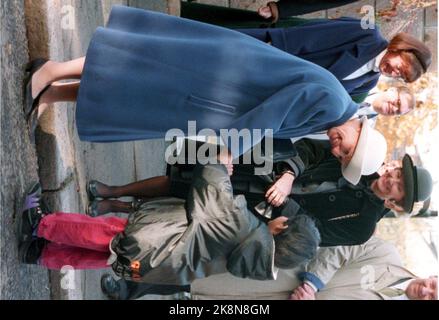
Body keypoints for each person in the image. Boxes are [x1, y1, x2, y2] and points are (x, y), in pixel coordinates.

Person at [25, 5, 363, 160]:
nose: (336, 148)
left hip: (223, 90)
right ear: (359, 130)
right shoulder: (334, 103)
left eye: (340, 156)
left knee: (129, 92)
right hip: (223, 76)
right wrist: (233, 149)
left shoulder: (333, 114)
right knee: (137, 66)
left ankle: (53, 93)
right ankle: (54, 70)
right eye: (345, 148)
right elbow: (278, 109)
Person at [85, 138, 433, 247]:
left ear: (396, 204)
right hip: (263, 175)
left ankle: (115, 206)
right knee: (185, 181)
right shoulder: (362, 159)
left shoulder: (363, 226)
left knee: (187, 211)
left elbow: (316, 237)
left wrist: (287, 207)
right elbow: (310, 149)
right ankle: (115, 189)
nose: (393, 181)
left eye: (400, 189)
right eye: (398, 175)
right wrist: (287, 175)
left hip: (260, 216)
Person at [17, 163, 321, 285]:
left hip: (149, 240)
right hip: (148, 269)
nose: (282, 216)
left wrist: (221, 163)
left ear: (282, 228)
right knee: (105, 258)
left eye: (286, 220)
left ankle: (40, 224)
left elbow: (211, 185)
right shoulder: (254, 265)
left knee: (102, 234)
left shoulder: (243, 227)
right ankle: (42, 255)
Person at [99, 237, 438, 300]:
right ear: (434, 276)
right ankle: (132, 282)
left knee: (199, 301)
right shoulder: (386, 254)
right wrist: (314, 284)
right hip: (284, 271)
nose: (426, 291)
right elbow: (346, 248)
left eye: (432, 298)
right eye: (434, 286)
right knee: (205, 272)